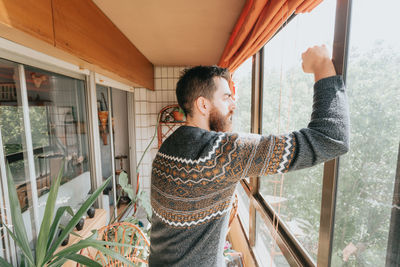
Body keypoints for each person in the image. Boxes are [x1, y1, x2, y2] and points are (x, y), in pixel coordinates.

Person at [149, 45, 350, 266]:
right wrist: (322, 66)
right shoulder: (220, 152)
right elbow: (330, 139)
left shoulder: (169, 146)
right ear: (203, 104)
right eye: (226, 98)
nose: (234, 105)